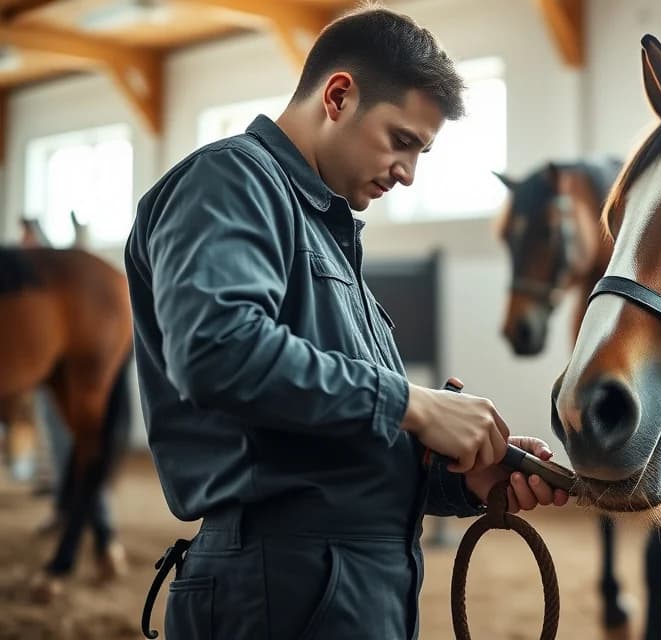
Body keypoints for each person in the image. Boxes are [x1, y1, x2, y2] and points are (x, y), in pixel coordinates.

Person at [125, 7, 569, 639]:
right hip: (279, 588)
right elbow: (216, 350)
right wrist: (412, 405)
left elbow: (338, 449)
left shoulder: (328, 233)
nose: (409, 173)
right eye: (402, 140)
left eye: (422, 151)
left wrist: (458, 479)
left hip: (346, 584)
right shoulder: (230, 181)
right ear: (338, 95)